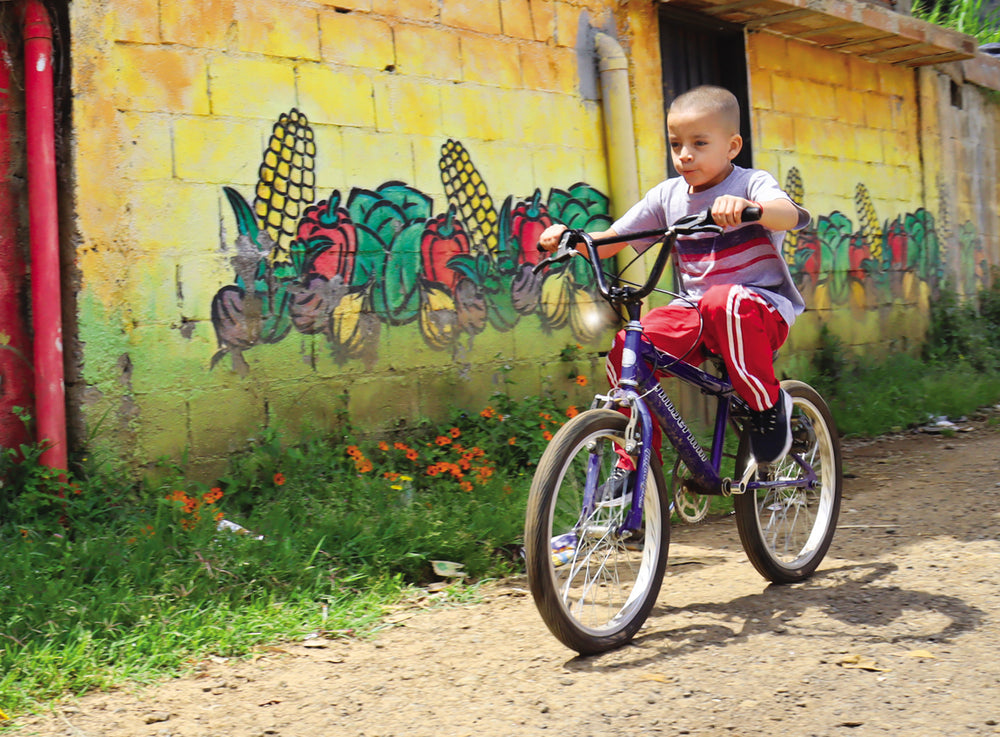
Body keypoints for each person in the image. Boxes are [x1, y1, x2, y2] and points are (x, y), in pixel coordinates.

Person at [538, 85, 810, 486]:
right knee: (628, 350)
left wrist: (752, 210)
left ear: (732, 146)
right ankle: (636, 465)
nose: (685, 155)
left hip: (758, 309)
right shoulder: (668, 195)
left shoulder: (751, 183)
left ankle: (768, 404)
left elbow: (789, 215)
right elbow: (616, 239)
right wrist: (574, 240)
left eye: (699, 143)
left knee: (724, 301)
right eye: (676, 144)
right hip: (697, 312)